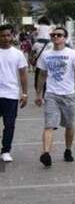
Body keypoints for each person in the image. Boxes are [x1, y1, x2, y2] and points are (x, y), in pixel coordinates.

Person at [35, 26, 75, 167]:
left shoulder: (72, 53)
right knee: (49, 125)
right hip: (51, 94)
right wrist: (39, 94)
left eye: (59, 35)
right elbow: (42, 75)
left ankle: (68, 150)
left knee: (69, 125)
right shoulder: (46, 54)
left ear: (65, 38)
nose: (56, 37)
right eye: (53, 35)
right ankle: (46, 153)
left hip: (68, 94)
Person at [0, 24, 29, 162]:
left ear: (12, 36)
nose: (5, 38)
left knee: (9, 124)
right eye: (2, 35)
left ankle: (5, 150)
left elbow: (23, 74)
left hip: (11, 94)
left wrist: (25, 93)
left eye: (8, 35)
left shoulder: (18, 54)